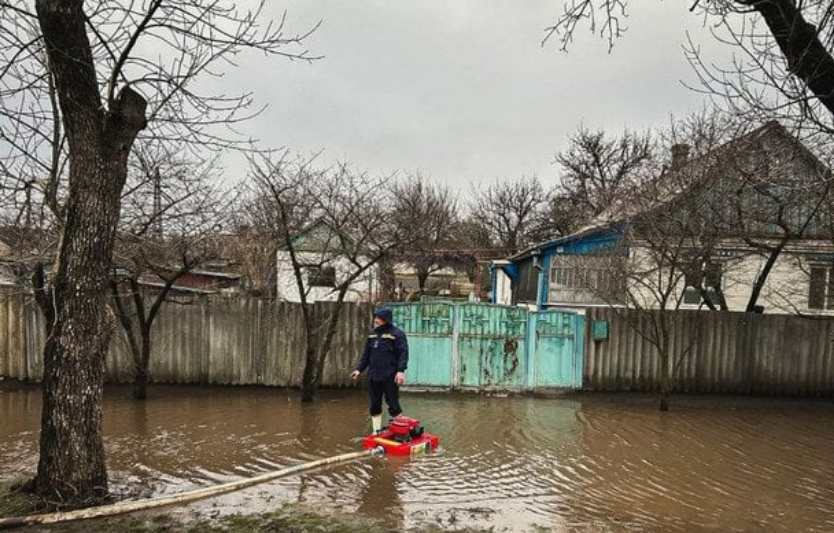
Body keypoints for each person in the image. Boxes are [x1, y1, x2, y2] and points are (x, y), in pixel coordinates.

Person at [350, 307, 408, 434]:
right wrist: (359, 369)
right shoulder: (372, 334)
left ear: (386, 319)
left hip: (390, 376)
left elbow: (403, 354)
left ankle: (398, 432)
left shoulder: (397, 334)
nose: (376, 320)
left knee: (393, 404)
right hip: (373, 376)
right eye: (375, 317)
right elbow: (366, 354)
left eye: (379, 318)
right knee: (374, 405)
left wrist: (400, 371)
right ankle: (376, 431)